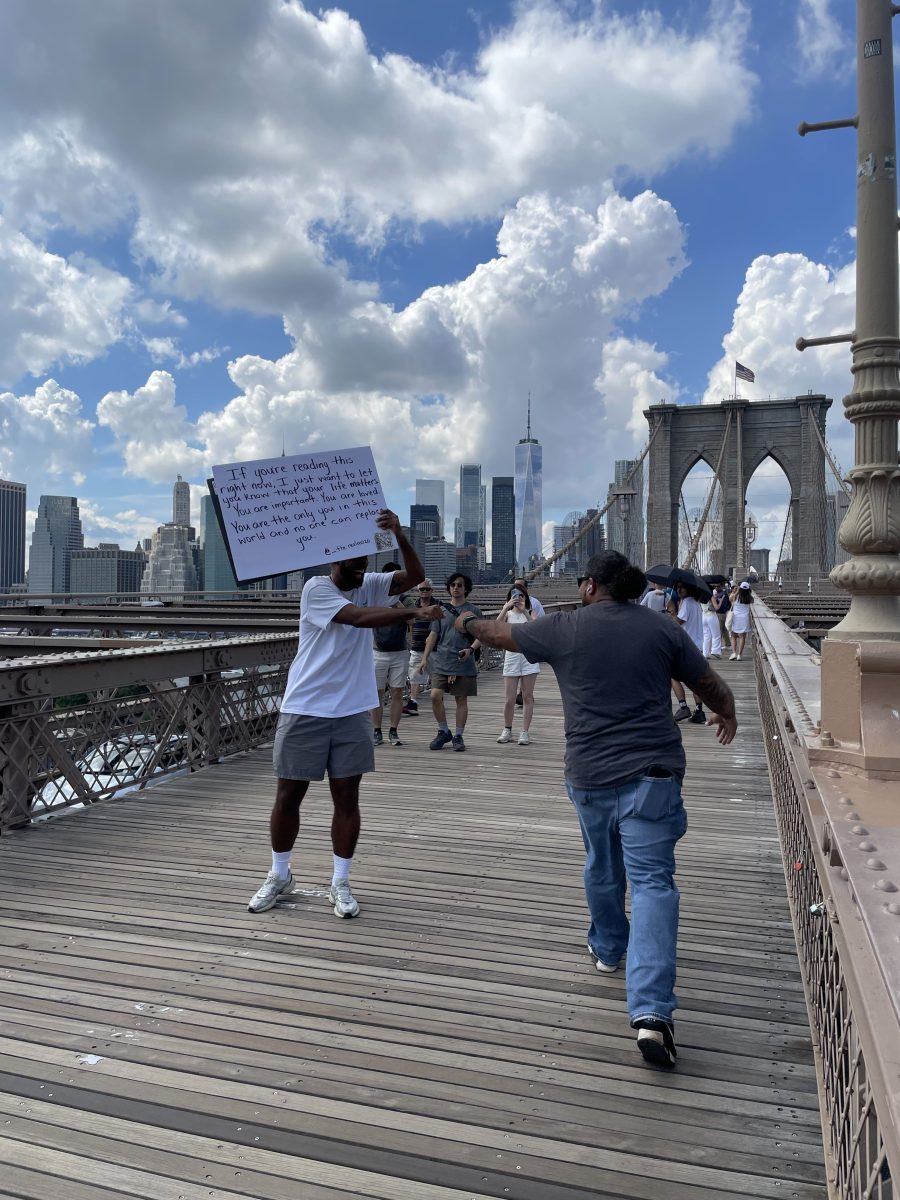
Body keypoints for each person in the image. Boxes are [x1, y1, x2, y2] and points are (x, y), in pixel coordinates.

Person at [456, 551, 737, 1069]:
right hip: (654, 773)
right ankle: (652, 1014)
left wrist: (463, 618)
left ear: (588, 585)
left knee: (601, 866)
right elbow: (708, 684)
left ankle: (609, 949)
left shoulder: (564, 627)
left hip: (588, 773)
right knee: (653, 883)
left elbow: (495, 637)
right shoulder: (663, 629)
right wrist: (729, 711)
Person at [248, 511, 442, 918]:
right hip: (305, 706)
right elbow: (355, 619)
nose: (360, 575)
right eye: (353, 568)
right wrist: (412, 614)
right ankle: (279, 874)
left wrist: (399, 536)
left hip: (352, 708)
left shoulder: (368, 583)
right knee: (288, 796)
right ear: (333, 562)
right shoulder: (315, 589)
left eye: (364, 567)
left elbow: (413, 577)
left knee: (347, 799)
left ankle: (340, 881)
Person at [420, 572, 482, 752]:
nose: (456, 587)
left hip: (464, 661)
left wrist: (470, 650)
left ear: (466, 589)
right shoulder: (441, 611)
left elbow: (481, 637)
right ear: (449, 588)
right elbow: (433, 635)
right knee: (434, 695)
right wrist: (424, 658)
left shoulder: (473, 611)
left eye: (460, 585)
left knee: (460, 699)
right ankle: (443, 731)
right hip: (442, 660)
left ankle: (458, 735)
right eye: (453, 585)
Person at [371, 562, 409, 747]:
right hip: (377, 651)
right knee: (376, 692)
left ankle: (393, 730)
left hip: (399, 652)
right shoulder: (374, 598)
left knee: (397, 692)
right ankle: (376, 730)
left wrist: (396, 602)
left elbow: (413, 620)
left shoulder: (405, 599)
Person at [495, 587, 540, 744]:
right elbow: (495, 627)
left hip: (528, 657)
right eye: (515, 595)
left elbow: (536, 628)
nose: (518, 598)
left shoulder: (530, 612)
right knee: (510, 698)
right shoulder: (507, 614)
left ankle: (525, 732)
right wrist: (505, 607)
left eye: (521, 595)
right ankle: (507, 729)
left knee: (527, 696)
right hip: (512, 657)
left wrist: (525, 611)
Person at [672, 581, 707, 725]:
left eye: (682, 587)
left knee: (672, 676)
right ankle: (699, 711)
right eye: (677, 587)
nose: (679, 590)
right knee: (694, 681)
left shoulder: (686, 603)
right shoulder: (696, 603)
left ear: (689, 588)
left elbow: (676, 623)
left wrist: (670, 614)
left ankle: (683, 707)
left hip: (685, 647)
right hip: (697, 647)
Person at [403, 578, 434, 716]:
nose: (424, 592)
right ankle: (413, 703)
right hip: (416, 647)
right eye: (422, 589)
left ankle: (438, 699)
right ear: (418, 591)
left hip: (435, 648)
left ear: (431, 591)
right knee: (414, 676)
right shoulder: (413, 606)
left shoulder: (438, 605)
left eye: (427, 589)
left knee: (436, 676)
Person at [728, 580, 754, 660]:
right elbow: (752, 601)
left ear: (741, 588)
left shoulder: (736, 596)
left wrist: (736, 591)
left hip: (735, 618)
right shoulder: (750, 597)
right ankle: (739, 655)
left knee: (733, 636)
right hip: (745, 618)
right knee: (742, 637)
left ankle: (734, 653)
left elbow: (730, 599)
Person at [710, 584, 731, 651]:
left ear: (721, 586)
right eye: (715, 586)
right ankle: (728, 644)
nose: (716, 587)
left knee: (718, 630)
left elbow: (723, 605)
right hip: (722, 613)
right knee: (724, 630)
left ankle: (717, 646)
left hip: (720, 613)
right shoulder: (719, 594)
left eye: (718, 586)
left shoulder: (723, 594)